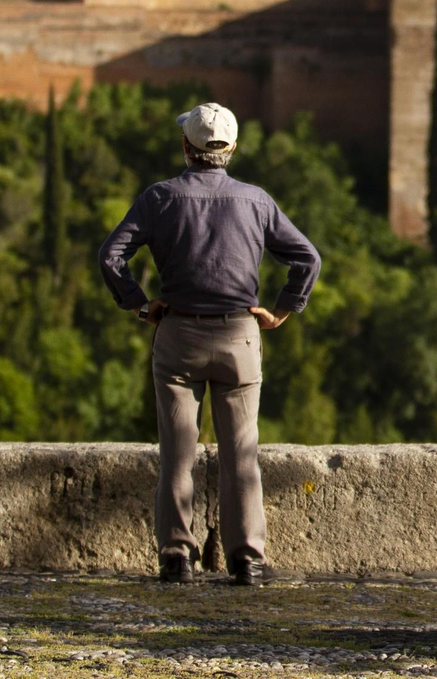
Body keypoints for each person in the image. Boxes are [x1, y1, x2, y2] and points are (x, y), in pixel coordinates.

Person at [99, 102, 321, 585]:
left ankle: (177, 556)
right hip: (239, 335)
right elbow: (308, 258)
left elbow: (111, 254)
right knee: (241, 452)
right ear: (232, 149)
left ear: (186, 146)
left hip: (177, 334)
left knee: (177, 452)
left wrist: (139, 304)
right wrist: (282, 308)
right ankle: (248, 559)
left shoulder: (159, 199)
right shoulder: (256, 201)